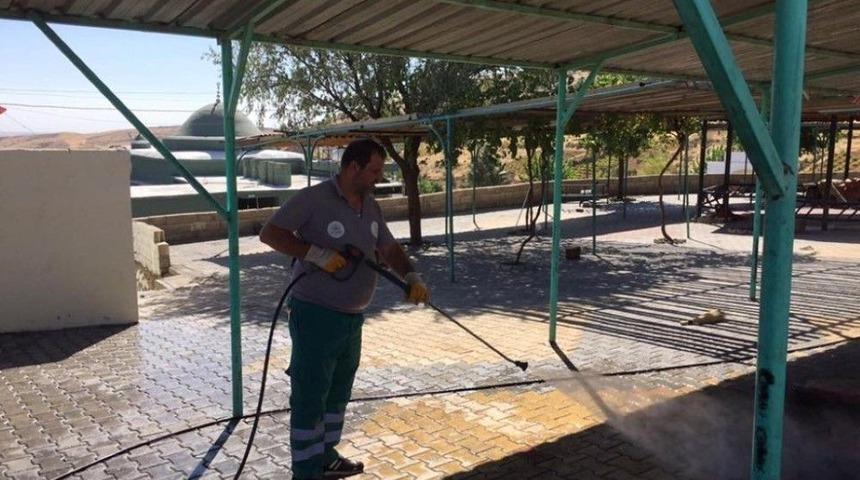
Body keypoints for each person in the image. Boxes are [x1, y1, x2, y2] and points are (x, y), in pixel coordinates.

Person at [259, 138, 430, 480]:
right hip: (315, 314)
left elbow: (388, 246)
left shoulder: (370, 206)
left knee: (338, 393)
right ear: (353, 166)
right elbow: (270, 233)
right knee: (310, 393)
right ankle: (305, 471)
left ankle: (325, 456)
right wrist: (315, 254)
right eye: (375, 170)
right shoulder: (314, 198)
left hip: (352, 319)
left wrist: (410, 274)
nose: (379, 177)